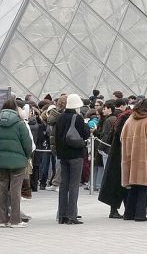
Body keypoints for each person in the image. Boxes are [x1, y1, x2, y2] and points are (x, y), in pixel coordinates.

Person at [0, 98, 33, 228]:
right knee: (15, 191)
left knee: (1, 190)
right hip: (18, 162)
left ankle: (1, 219)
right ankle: (15, 220)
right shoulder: (20, 124)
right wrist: (25, 157)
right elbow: (27, 144)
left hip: (0, 161)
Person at [120, 98, 147, 222]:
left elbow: (122, 137)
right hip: (144, 157)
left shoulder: (130, 119)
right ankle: (140, 214)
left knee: (133, 186)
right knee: (143, 186)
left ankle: (129, 213)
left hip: (130, 157)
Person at [54, 93, 89, 224]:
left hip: (63, 156)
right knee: (74, 185)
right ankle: (72, 216)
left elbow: (56, 136)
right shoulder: (77, 118)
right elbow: (85, 135)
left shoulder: (61, 117)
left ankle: (62, 215)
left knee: (64, 185)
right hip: (75, 155)